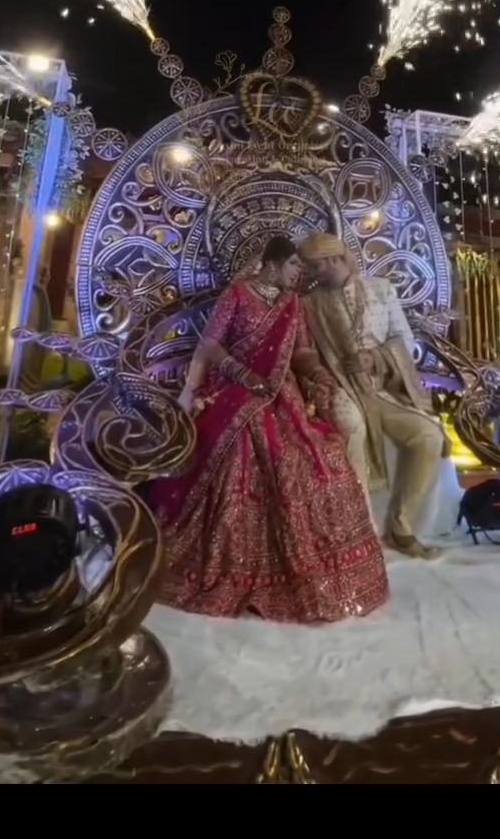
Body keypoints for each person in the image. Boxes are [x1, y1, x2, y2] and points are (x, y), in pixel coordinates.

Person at [149, 235, 389, 624]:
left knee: (316, 455)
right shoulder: (237, 295)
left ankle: (321, 566)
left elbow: (302, 352)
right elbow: (210, 345)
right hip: (233, 388)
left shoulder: (292, 304)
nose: (299, 274)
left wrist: (317, 374)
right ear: (273, 264)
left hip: (281, 393)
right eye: (294, 266)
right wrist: (242, 374)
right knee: (249, 451)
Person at [298, 233, 461, 559]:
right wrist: (320, 379)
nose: (311, 274)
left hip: (384, 389)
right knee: (352, 427)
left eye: (316, 266)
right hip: (342, 387)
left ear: (334, 259)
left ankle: (402, 527)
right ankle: (362, 531)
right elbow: (306, 353)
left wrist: (374, 358)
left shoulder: (381, 289)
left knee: (428, 436)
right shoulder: (309, 304)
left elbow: (404, 340)